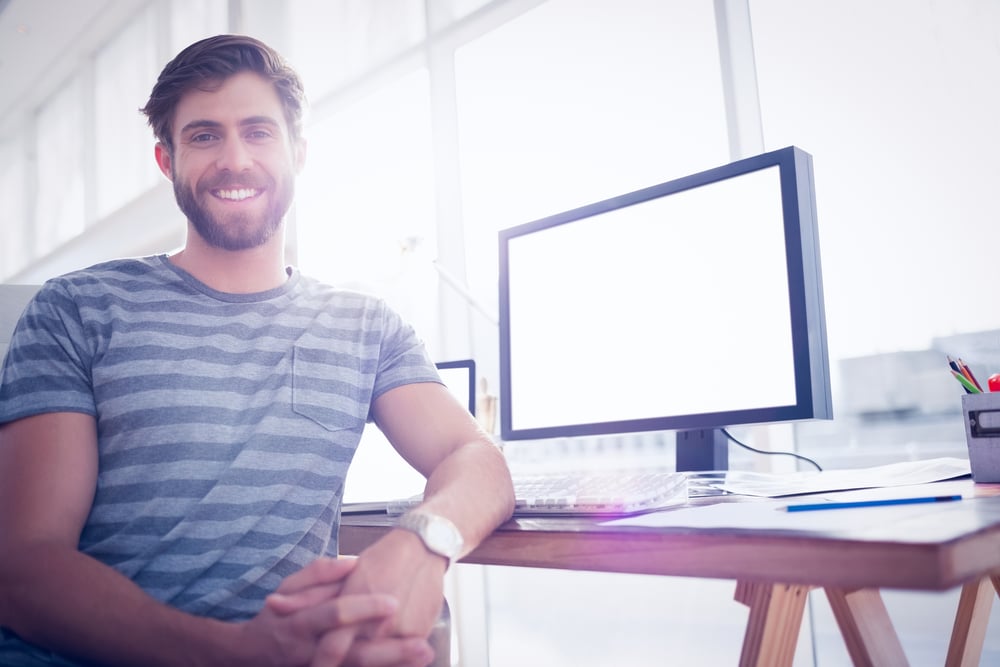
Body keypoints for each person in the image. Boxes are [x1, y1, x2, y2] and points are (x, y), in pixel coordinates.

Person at [0, 34, 515, 667]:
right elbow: (24, 566)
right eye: (204, 136)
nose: (235, 160)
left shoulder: (365, 326)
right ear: (167, 160)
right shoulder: (77, 308)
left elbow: (476, 459)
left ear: (299, 151)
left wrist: (422, 542)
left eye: (259, 132)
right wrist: (239, 653)